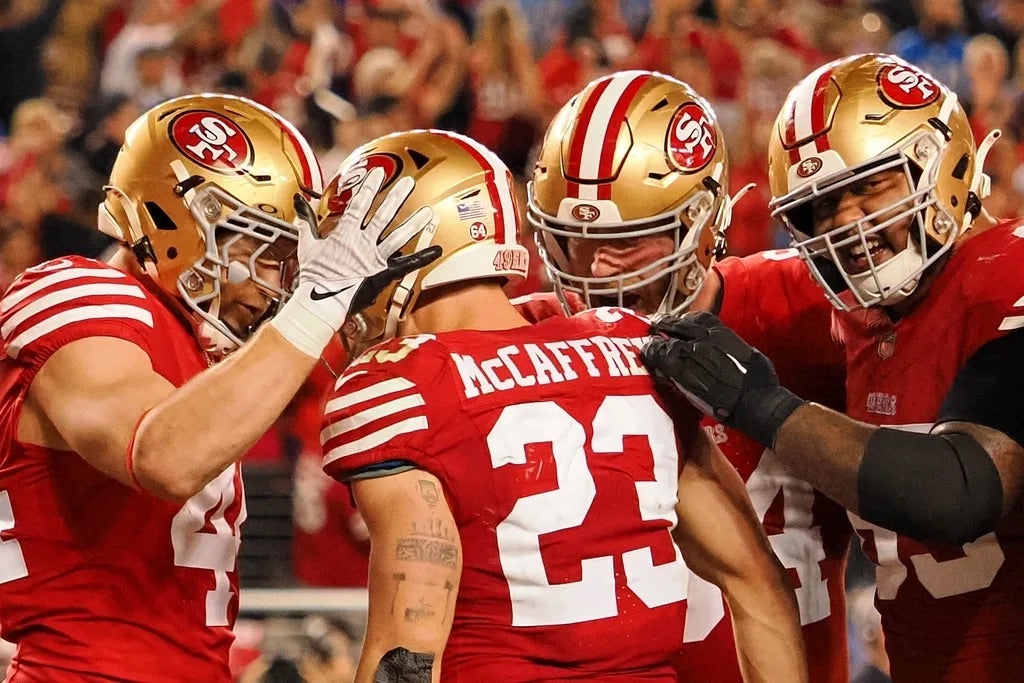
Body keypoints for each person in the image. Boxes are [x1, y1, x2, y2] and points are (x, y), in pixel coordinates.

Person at [317, 128, 808, 683]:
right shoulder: (633, 348)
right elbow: (758, 583)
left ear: (405, 254)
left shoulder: (400, 384)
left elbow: (406, 649)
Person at [0, 93, 438, 681]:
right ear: (175, 222)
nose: (277, 282)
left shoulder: (201, 351)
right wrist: (316, 302)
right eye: (260, 250)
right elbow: (160, 456)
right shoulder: (80, 293)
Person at [642, 53, 1024, 682]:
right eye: (819, 209)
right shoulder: (860, 320)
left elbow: (962, 491)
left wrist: (763, 405)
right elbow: (698, 294)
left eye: (871, 184)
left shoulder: (1008, 278)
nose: (847, 224)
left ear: (941, 161)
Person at [525, 69, 851, 682]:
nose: (596, 267)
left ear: (703, 226)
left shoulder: (807, 305)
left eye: (631, 240)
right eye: (573, 240)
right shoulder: (522, 336)